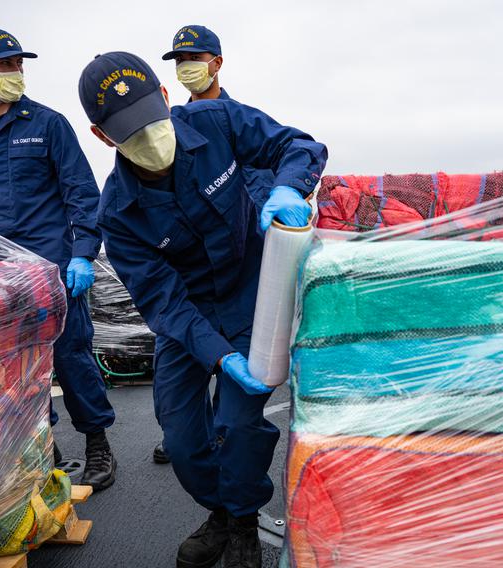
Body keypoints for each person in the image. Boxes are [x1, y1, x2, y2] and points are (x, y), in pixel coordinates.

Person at [79, 51, 326, 568]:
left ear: (167, 99)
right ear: (103, 137)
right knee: (182, 439)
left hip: (247, 300)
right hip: (185, 321)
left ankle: (240, 522)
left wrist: (287, 185)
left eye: (152, 120)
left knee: (238, 425)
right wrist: (218, 356)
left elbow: (298, 145)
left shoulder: (217, 122)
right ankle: (217, 509)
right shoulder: (118, 213)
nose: (150, 138)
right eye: (130, 132)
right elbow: (162, 300)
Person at [0, 29, 117, 490]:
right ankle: (41, 451)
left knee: (71, 356)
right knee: (12, 369)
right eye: (6, 64)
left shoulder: (47, 124)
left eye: (18, 64)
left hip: (52, 273)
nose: (15, 72)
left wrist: (83, 256)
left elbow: (81, 194)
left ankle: (97, 445)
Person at [149, 24, 276, 466]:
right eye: (180, 61)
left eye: (195, 59)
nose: (187, 68)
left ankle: (233, 488)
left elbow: (260, 189)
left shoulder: (235, 121)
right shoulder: (162, 132)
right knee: (178, 401)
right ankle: (194, 436)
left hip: (239, 277)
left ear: (217, 63)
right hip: (189, 284)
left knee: (236, 406)